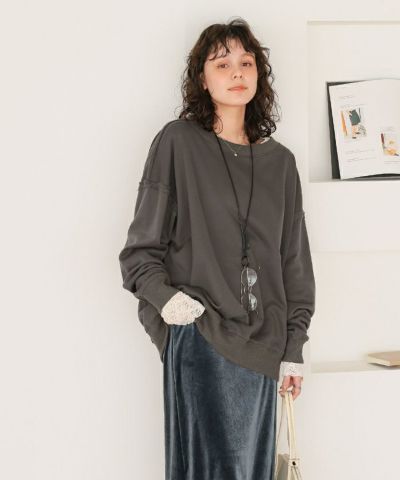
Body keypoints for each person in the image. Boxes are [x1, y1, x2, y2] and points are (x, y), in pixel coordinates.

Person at [118, 18, 316, 480]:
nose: (237, 72)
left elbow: (294, 263)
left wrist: (294, 347)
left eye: (247, 62)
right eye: (222, 64)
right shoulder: (178, 142)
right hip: (202, 338)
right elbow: (139, 252)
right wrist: (171, 303)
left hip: (264, 350)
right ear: (202, 79)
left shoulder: (281, 164)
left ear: (259, 74)